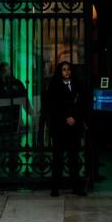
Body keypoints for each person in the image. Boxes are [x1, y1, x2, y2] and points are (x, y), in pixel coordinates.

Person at [43, 59, 88, 196]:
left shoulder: (78, 85)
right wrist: (66, 117)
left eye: (68, 69)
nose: (66, 72)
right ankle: (55, 187)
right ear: (59, 71)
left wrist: (74, 117)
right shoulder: (54, 86)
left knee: (74, 157)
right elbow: (52, 106)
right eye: (63, 69)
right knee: (58, 157)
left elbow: (82, 104)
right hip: (59, 127)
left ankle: (76, 186)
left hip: (74, 126)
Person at [0, 61, 32, 150]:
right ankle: (29, 112)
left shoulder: (14, 81)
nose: (10, 70)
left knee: (21, 99)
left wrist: (15, 90)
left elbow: (22, 91)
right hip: (2, 107)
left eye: (10, 68)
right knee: (22, 100)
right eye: (8, 69)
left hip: (12, 107)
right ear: (3, 70)